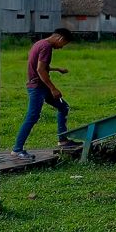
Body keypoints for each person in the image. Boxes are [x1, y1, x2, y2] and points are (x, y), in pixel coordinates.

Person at [10, 28, 74, 160]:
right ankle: (17, 149)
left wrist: (57, 69)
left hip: (41, 86)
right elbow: (40, 69)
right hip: (37, 87)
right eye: (64, 44)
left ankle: (62, 140)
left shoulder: (39, 43)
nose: (61, 47)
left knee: (63, 107)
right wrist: (53, 88)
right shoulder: (47, 47)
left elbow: (41, 65)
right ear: (60, 38)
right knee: (32, 116)